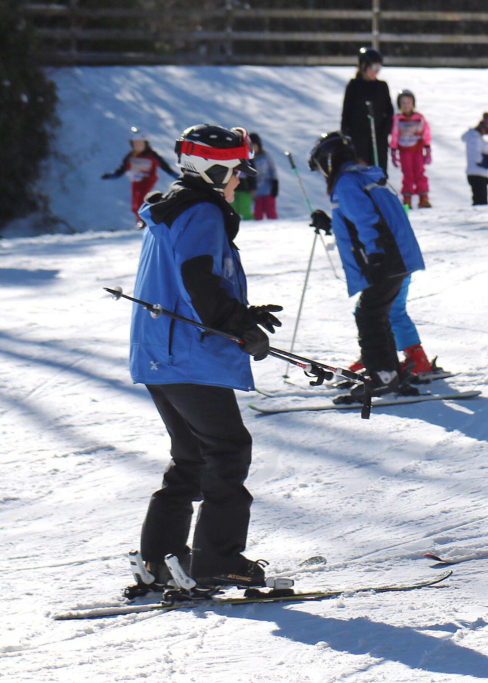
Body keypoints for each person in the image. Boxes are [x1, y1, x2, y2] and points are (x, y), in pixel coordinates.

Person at [129, 124, 283, 592]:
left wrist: (241, 313)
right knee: (227, 450)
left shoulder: (173, 207)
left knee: (192, 457)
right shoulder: (202, 211)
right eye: (237, 171)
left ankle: (160, 558)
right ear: (214, 170)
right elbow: (199, 280)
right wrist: (237, 325)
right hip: (186, 356)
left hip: (160, 353)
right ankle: (217, 559)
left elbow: (186, 282)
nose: (240, 181)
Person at [308, 131, 425, 399]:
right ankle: (390, 373)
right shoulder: (365, 176)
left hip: (385, 258)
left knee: (368, 314)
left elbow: (367, 220)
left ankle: (382, 376)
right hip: (398, 256)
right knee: (377, 313)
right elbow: (360, 219)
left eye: (320, 168)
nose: (322, 174)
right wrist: (331, 224)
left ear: (328, 162)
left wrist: (375, 255)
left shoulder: (347, 182)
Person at [101, 126, 176, 222]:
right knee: (135, 204)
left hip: (148, 181)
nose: (138, 146)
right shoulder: (131, 156)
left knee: (142, 201)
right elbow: (121, 169)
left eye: (140, 144)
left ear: (146, 144)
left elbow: (165, 167)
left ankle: (145, 221)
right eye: (135, 144)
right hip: (136, 182)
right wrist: (111, 176)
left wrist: (175, 175)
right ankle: (139, 221)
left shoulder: (152, 155)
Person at [341, 47, 393, 175]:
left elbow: (389, 110)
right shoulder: (354, 86)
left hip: (378, 137)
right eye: (373, 68)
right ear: (364, 66)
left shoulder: (382, 86)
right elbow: (347, 110)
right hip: (358, 136)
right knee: (361, 171)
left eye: (378, 68)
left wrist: (386, 130)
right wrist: (346, 131)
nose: (376, 72)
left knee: (378, 171)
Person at [390, 89, 432, 209]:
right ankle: (407, 199)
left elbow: (426, 132)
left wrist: (427, 148)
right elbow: (394, 134)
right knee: (408, 173)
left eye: (408, 102)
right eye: (403, 103)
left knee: (419, 172)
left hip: (417, 148)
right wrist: (393, 150)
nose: (406, 105)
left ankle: (423, 197)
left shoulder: (419, 118)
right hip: (404, 150)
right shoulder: (398, 119)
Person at [249, 133, 279, 220]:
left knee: (270, 209)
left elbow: (272, 169)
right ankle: (258, 227)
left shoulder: (265, 156)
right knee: (258, 210)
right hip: (256, 189)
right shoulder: (249, 159)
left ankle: (274, 225)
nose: (254, 148)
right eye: (251, 146)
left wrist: (275, 183)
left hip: (267, 187)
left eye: (255, 146)